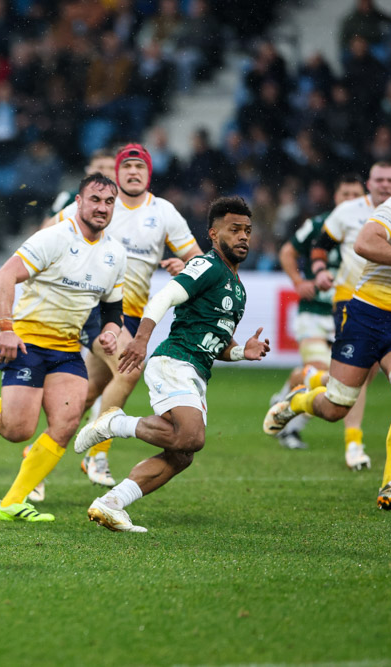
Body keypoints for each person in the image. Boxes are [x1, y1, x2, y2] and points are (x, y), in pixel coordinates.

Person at [75, 196, 270, 532]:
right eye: (234, 229)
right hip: (174, 361)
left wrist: (241, 352)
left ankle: (112, 503)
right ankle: (113, 424)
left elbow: (217, 343)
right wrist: (140, 339)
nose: (243, 237)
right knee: (192, 437)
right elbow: (164, 297)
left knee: (182, 454)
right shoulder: (206, 266)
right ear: (213, 233)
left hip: (196, 371)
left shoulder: (237, 287)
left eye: (248, 231)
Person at [0, 174, 127, 523]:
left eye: (109, 202)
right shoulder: (54, 237)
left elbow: (112, 310)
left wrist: (109, 332)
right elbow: (3, 278)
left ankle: (11, 502)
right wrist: (5, 329)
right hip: (27, 341)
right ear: (78, 201)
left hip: (67, 348)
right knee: (16, 430)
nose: (102, 208)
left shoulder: (115, 254)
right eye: (95, 200)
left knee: (66, 422)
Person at [44, 144, 203, 489]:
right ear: (118, 172)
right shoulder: (102, 206)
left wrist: (185, 265)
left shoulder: (164, 212)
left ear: (149, 174)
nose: (133, 172)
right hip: (93, 308)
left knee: (85, 395)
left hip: (131, 315)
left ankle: (37, 463)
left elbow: (198, 259)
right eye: (127, 166)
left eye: (140, 167)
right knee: (129, 368)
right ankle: (97, 451)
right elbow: (46, 233)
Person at [266, 186, 391, 510]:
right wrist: (313, 273)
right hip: (366, 313)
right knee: (337, 405)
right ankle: (299, 400)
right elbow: (364, 243)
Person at [292, 162, 391, 468]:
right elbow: (320, 246)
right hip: (353, 302)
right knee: (358, 382)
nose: (384, 185)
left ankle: (314, 378)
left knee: (360, 378)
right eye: (379, 179)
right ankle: (353, 444)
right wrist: (319, 270)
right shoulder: (349, 211)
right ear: (369, 182)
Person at [270, 175, 365, 451]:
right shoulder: (317, 225)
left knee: (335, 376)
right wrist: (299, 282)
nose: (349, 200)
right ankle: (290, 428)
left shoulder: (372, 227)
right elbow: (287, 252)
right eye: (344, 194)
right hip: (314, 313)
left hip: (351, 315)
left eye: (355, 195)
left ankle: (282, 399)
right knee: (323, 371)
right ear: (335, 197)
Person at [45, 148, 116, 219]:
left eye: (111, 168)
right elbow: (47, 228)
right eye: (100, 167)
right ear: (88, 170)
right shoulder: (68, 197)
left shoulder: (123, 201)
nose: (106, 173)